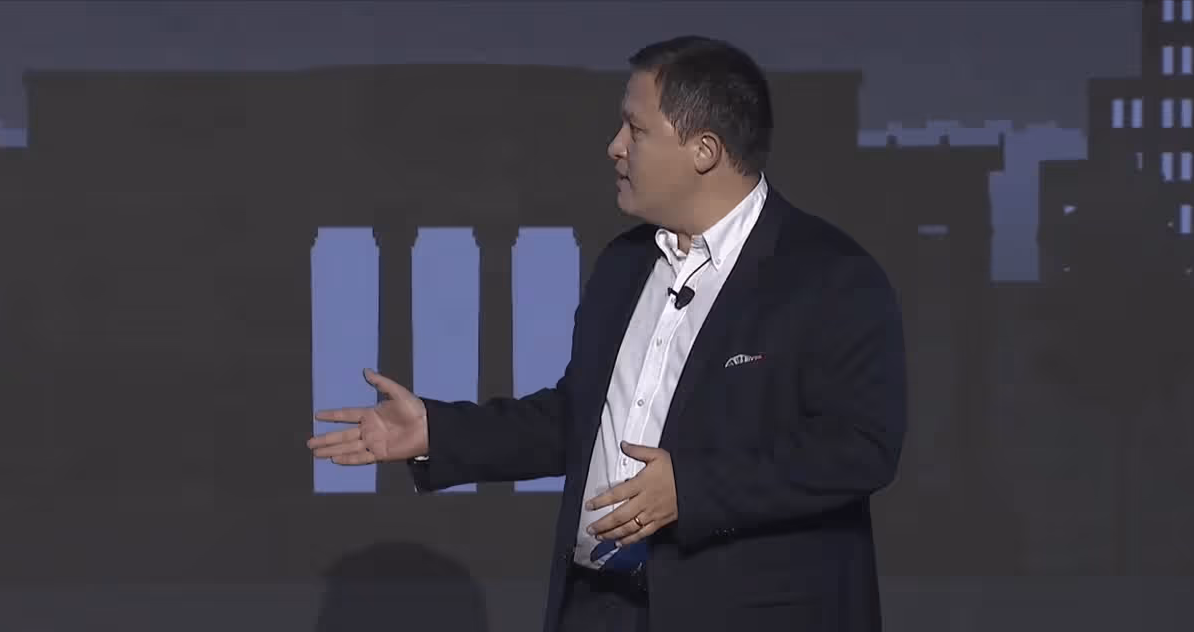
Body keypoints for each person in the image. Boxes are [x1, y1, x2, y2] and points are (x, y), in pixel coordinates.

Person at [308, 35, 907, 632]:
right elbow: (578, 420)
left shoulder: (828, 275)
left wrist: (692, 490)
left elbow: (860, 448)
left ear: (704, 150)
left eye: (635, 130)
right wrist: (437, 432)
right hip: (598, 608)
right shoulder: (625, 264)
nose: (614, 146)